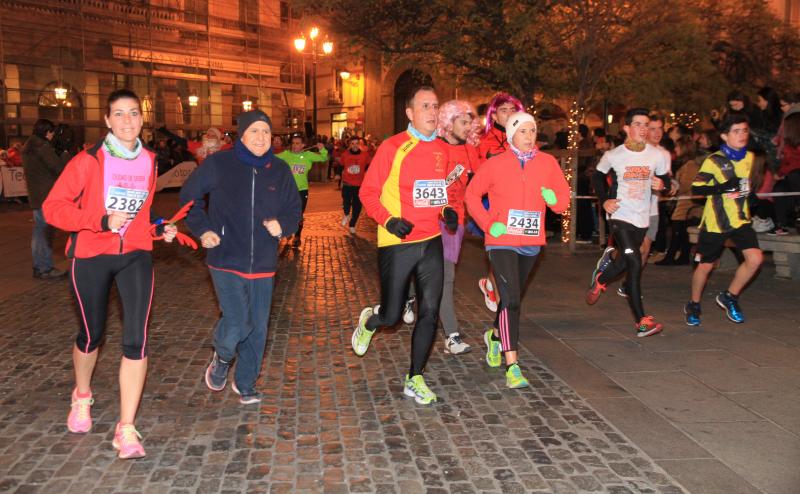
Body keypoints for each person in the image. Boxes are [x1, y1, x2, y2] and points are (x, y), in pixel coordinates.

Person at [43, 89, 178, 459]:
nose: (127, 121)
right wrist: (98, 220)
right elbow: (52, 208)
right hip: (91, 254)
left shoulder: (150, 160)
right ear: (107, 120)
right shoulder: (87, 161)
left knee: (137, 339)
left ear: (141, 118)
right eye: (118, 114)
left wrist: (159, 229)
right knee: (92, 334)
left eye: (133, 113)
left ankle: (126, 428)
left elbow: (143, 215)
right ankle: (82, 395)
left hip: (135, 255)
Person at [180, 110, 302, 403]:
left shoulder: (280, 169)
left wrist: (282, 226)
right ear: (242, 135)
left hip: (263, 260)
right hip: (225, 256)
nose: (261, 138)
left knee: (258, 327)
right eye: (254, 131)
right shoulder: (219, 163)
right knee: (238, 321)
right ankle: (222, 358)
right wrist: (203, 228)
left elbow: (293, 209)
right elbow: (188, 197)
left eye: (266, 132)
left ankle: (245, 382)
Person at [351, 85, 458, 405]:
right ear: (410, 113)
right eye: (425, 106)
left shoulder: (442, 149)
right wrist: (388, 220)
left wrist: (447, 212)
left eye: (435, 106)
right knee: (393, 316)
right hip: (397, 242)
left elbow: (439, 194)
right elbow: (367, 192)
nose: (432, 111)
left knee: (429, 311)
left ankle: (415, 377)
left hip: (431, 241)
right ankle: (371, 320)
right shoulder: (392, 147)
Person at [466, 112, 569, 387]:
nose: (528, 136)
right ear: (511, 135)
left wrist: (553, 200)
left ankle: (494, 336)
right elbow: (471, 195)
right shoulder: (496, 163)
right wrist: (489, 224)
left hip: (531, 244)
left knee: (510, 298)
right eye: (522, 131)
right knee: (511, 300)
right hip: (501, 241)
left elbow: (563, 200)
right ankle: (513, 366)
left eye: (532, 131)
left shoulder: (547, 163)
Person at [585, 108, 671, 337]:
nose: (643, 129)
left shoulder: (657, 155)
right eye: (639, 125)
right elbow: (596, 176)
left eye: (646, 125)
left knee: (624, 262)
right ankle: (642, 322)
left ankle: (601, 279)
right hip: (620, 215)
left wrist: (663, 186)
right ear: (627, 128)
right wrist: (604, 201)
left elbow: (666, 181)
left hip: (642, 218)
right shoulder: (614, 155)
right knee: (634, 262)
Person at [684, 114, 763, 326]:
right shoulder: (714, 161)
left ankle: (730, 296)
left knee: (755, 259)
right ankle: (694, 303)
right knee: (705, 267)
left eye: (745, 130)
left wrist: (750, 196)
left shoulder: (749, 158)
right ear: (724, 136)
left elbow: (744, 185)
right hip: (715, 222)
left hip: (740, 219)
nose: (742, 135)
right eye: (736, 131)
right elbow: (697, 188)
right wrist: (722, 188)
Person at [436, 100, 481, 355]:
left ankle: (450, 336)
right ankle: (452, 334)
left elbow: (478, 185)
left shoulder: (470, 152)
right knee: (437, 275)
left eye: (470, 123)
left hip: (455, 223)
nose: (468, 128)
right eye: (463, 122)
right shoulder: (434, 148)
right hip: (430, 220)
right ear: (449, 122)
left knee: (446, 277)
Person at [475, 93, 525, 313]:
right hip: (491, 204)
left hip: (518, 204)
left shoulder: (524, 137)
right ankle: (502, 301)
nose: (509, 114)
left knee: (514, 253)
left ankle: (489, 282)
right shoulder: (483, 141)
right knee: (500, 251)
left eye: (512, 110)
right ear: (493, 115)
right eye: (503, 110)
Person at [22, 118, 69, 279]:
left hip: (36, 195)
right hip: (46, 196)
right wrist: (65, 152)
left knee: (39, 231)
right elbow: (59, 168)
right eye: (51, 133)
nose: (52, 136)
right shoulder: (42, 147)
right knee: (45, 233)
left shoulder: (30, 145)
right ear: (47, 132)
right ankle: (45, 268)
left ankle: (39, 266)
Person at [277, 134, 329, 247]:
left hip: (302, 190)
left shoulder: (308, 155)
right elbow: (271, 160)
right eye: (293, 143)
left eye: (297, 143)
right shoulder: (286, 155)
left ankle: (297, 236)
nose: (294, 146)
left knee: (299, 214)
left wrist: (322, 149)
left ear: (303, 145)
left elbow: (324, 158)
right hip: (287, 191)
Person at [656, 136, 700, 265]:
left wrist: (673, 189)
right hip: (684, 202)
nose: (675, 149)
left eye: (677, 146)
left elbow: (686, 185)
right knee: (681, 232)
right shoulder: (686, 164)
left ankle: (672, 257)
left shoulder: (690, 165)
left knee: (678, 230)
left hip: (686, 204)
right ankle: (682, 257)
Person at [770, 113, 800, 235]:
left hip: (796, 176)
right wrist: (779, 173)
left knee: (795, 175)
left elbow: (795, 163)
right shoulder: (789, 145)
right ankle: (781, 223)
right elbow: (786, 163)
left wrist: (782, 172)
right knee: (779, 188)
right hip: (792, 177)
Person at [339, 137, 370, 233]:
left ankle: (352, 224)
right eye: (352, 143)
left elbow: (369, 166)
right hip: (347, 183)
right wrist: (338, 175)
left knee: (357, 206)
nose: (355, 145)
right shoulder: (345, 155)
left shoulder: (365, 155)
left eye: (357, 143)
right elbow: (340, 166)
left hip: (359, 185)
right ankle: (346, 214)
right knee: (346, 201)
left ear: (359, 144)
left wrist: (366, 174)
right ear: (349, 145)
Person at [157, 126, 230, 164]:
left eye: (212, 135)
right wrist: (166, 132)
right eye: (208, 135)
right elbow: (180, 141)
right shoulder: (198, 147)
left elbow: (239, 146)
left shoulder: (223, 147)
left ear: (217, 138)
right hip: (204, 179)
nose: (209, 137)